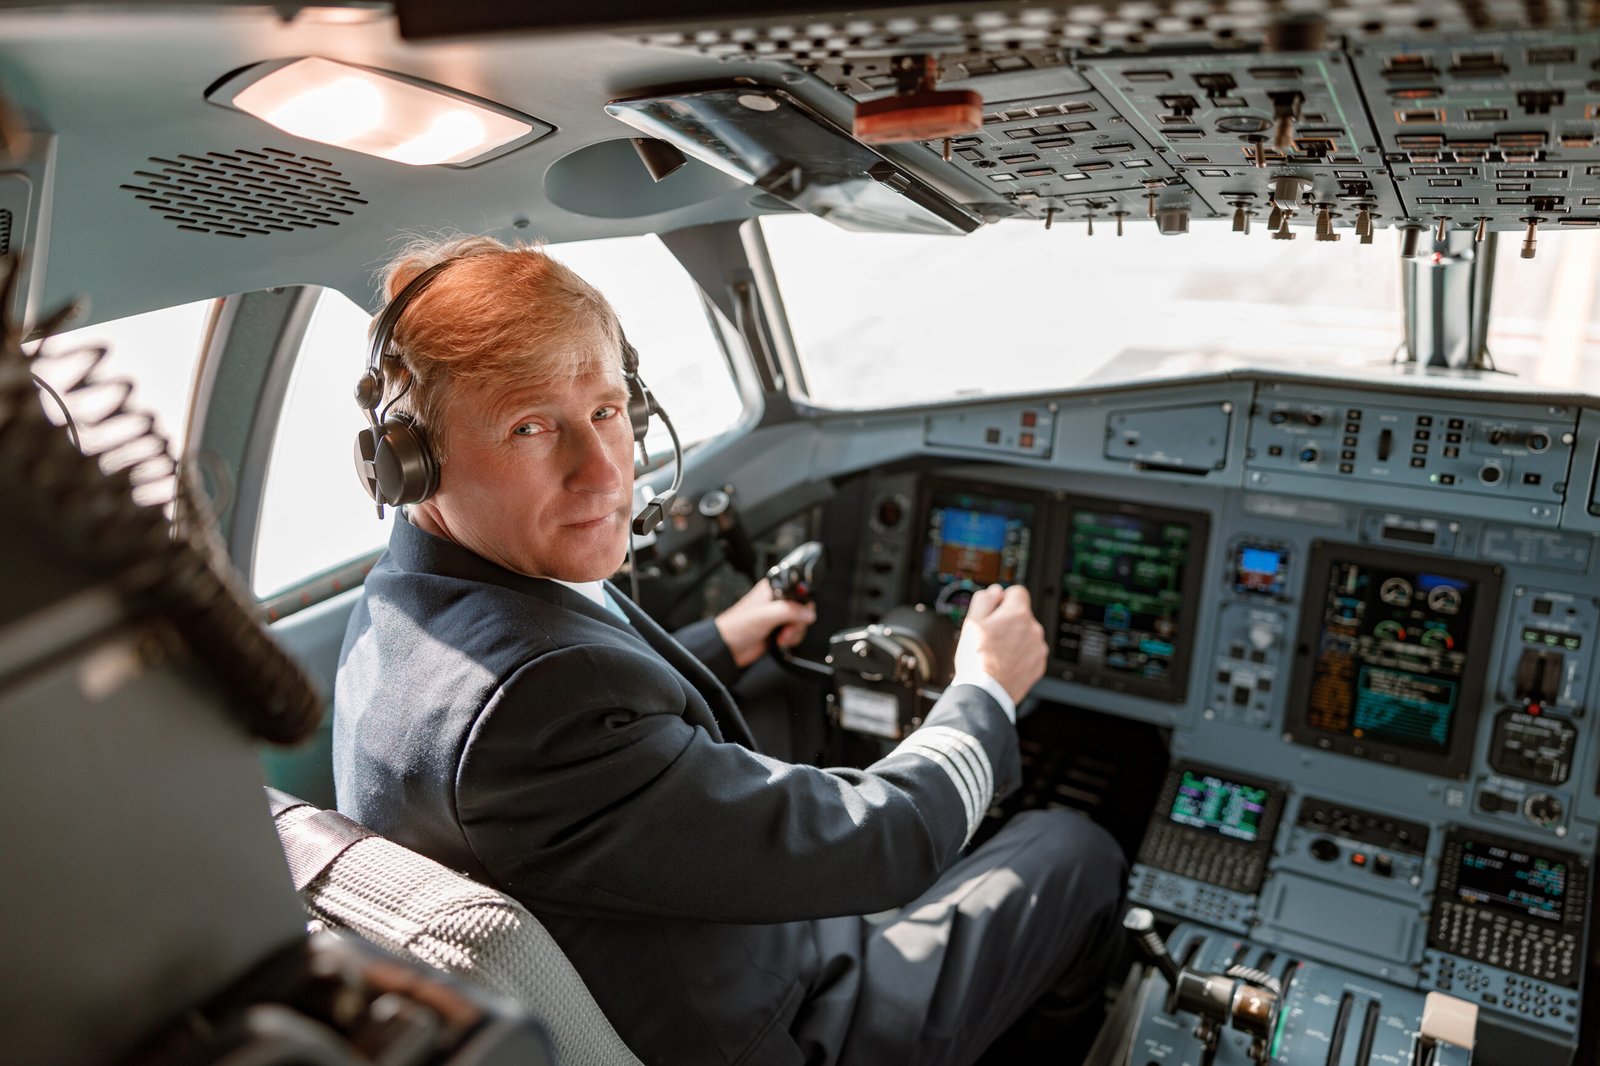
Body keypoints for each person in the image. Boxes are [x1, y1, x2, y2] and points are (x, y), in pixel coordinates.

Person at [333, 235, 1126, 1066]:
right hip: (783, 1028)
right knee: (1072, 849)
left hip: (674, 968)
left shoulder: (409, 601)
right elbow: (887, 842)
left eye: (607, 412)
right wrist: (986, 690)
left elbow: (575, 710)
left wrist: (726, 636)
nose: (606, 475)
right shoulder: (533, 708)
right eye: (530, 427)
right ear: (413, 460)